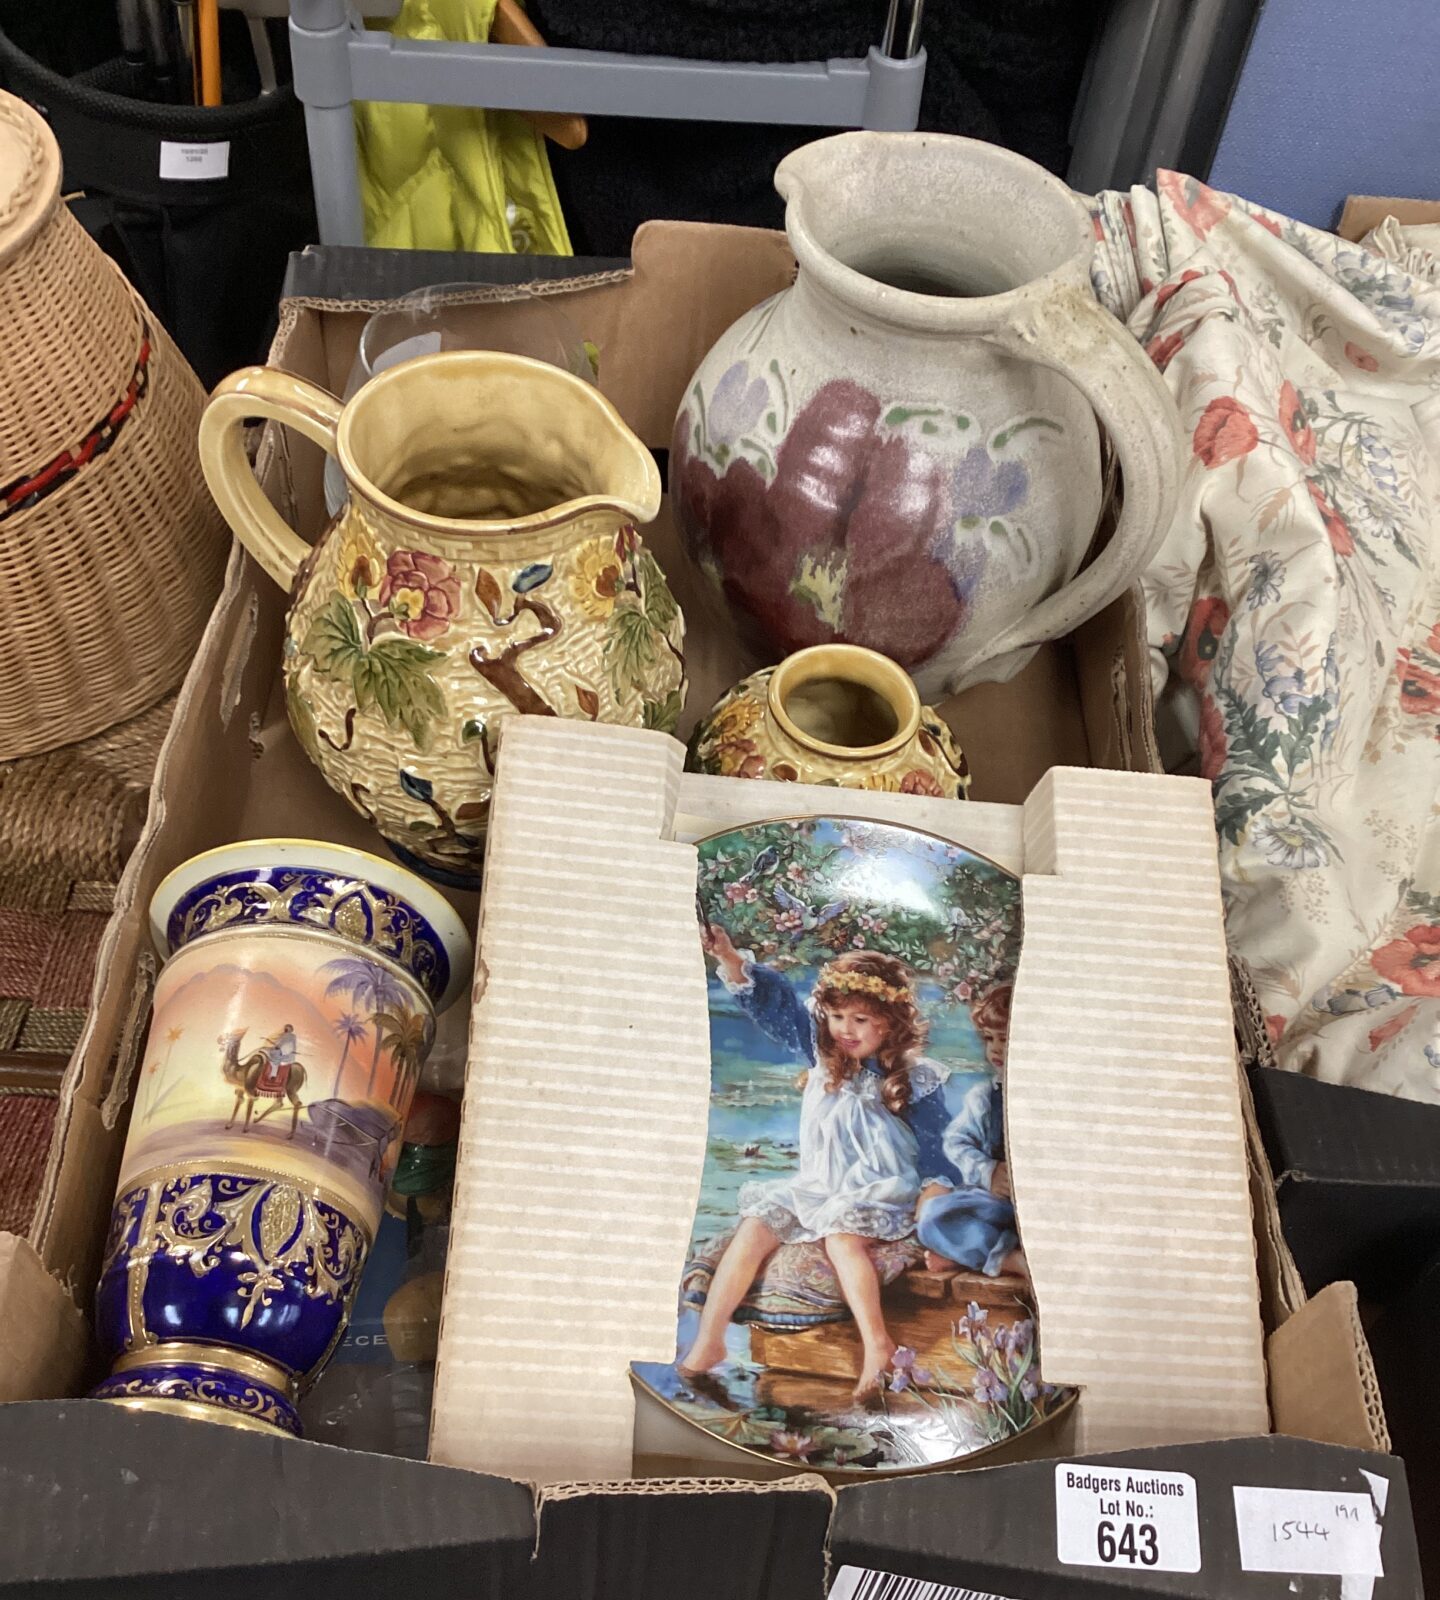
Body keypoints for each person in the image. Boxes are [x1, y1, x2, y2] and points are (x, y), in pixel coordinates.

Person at [680, 926, 952, 1398]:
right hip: (821, 1182)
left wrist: (934, 1201)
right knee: (756, 1221)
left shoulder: (914, 1077)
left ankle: (878, 1345)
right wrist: (727, 956)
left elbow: (937, 1152)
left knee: (843, 1239)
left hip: (882, 1186)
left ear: (890, 1022)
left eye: (861, 1019)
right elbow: (776, 1003)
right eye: (838, 1016)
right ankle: (711, 1339)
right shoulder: (823, 1056)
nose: (846, 1029)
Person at [913, 985, 1025, 1277]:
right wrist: (988, 1171)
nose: (996, 1049)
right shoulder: (985, 1096)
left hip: (1041, 1205)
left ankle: (967, 1256)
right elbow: (956, 1143)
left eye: (1005, 1038)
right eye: (989, 1039)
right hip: (998, 1205)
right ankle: (1007, 1259)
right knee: (934, 1216)